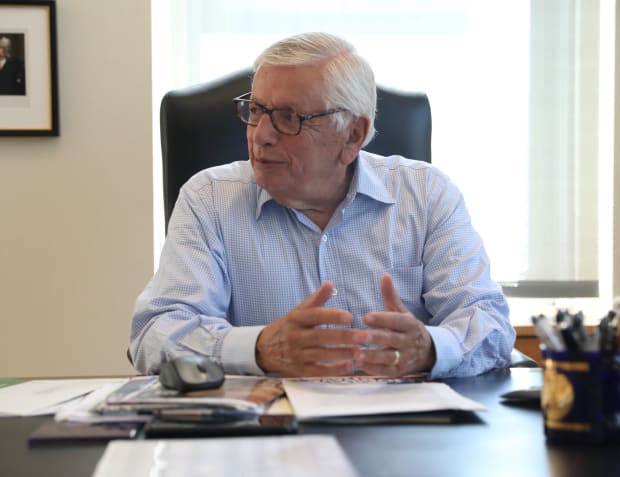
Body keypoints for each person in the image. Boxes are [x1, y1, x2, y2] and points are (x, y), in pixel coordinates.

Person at [130, 32, 515, 378]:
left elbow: (490, 325)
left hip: (400, 434)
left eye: (287, 118)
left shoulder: (426, 195)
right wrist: (259, 348)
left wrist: (430, 349)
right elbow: (154, 334)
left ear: (353, 134)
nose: (261, 135)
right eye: (256, 111)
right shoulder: (210, 199)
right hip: (264, 437)